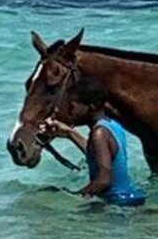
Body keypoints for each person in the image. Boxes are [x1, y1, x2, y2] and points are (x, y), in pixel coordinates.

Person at [41, 77, 146, 206]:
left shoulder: (99, 133)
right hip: (129, 197)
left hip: (117, 204)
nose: (69, 111)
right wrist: (69, 132)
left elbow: (104, 180)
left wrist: (74, 196)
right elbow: (98, 155)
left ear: (91, 107)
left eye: (72, 106)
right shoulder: (111, 125)